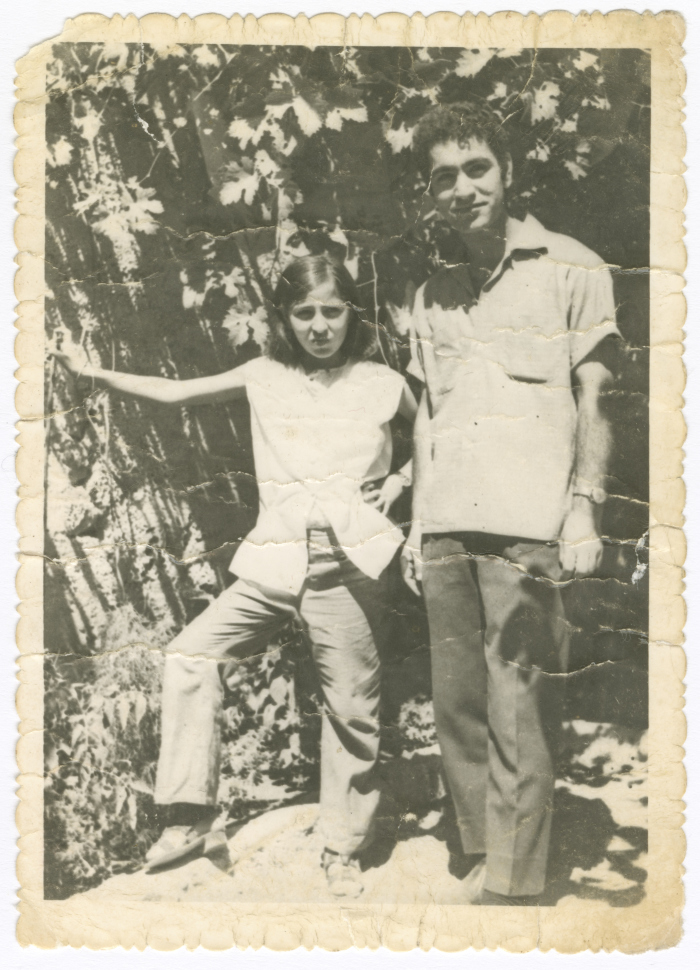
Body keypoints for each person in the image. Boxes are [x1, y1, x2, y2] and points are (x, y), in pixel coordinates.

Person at [55, 254, 417, 897]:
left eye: (332, 311)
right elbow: (176, 392)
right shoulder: (263, 374)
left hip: (351, 569)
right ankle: (191, 817)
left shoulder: (383, 381)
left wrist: (402, 479)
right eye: (304, 312)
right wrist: (94, 373)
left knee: (352, 714)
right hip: (275, 560)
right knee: (190, 654)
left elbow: (436, 436)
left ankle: (342, 847)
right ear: (284, 317)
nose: (319, 325)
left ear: (350, 313)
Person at [401, 102, 620, 904]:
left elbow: (596, 397)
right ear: (429, 195)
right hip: (447, 525)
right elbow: (429, 414)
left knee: (520, 702)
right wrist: (419, 520)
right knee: (457, 700)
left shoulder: (575, 267)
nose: (461, 188)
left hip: (530, 526)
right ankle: (475, 845)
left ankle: (516, 885)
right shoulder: (431, 294)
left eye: (476, 168)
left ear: (507, 170)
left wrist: (585, 505)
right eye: (442, 178)